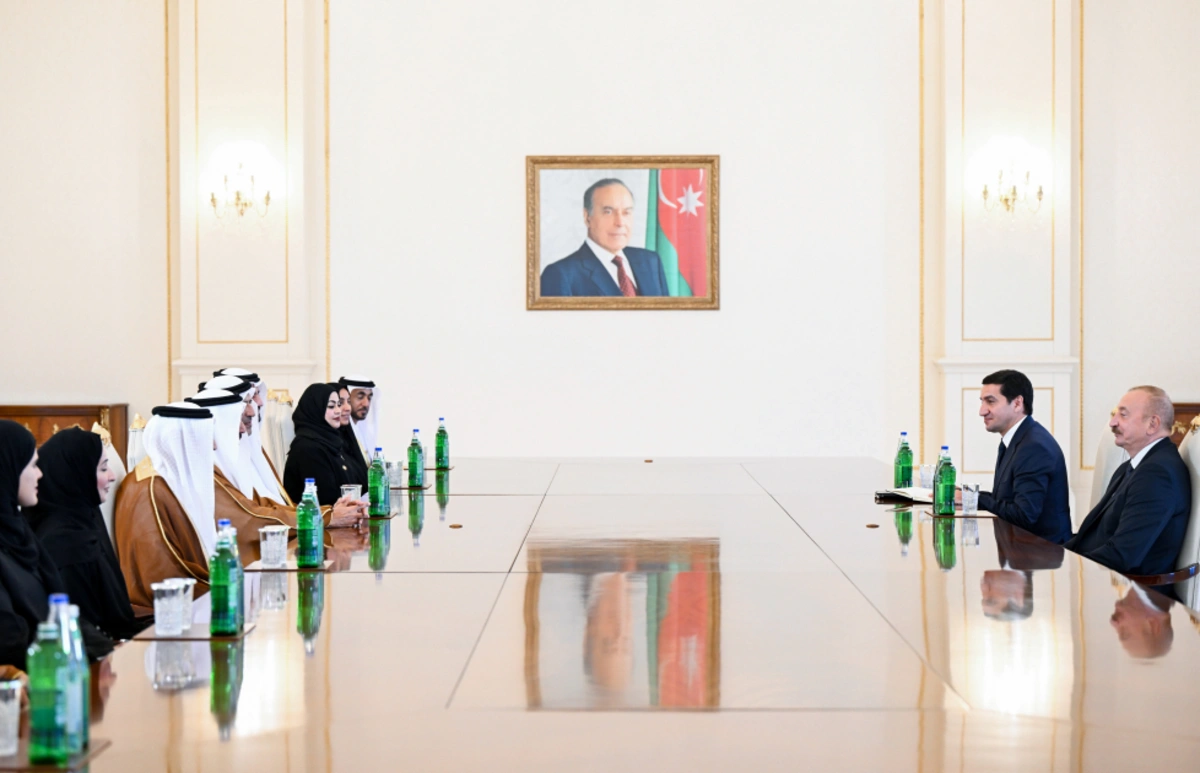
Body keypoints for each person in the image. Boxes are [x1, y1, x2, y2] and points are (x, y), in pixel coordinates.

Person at [0, 421, 113, 668]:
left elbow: (62, 614)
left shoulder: (21, 535)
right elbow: (10, 642)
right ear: (7, 471)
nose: (40, 474)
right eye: (32, 466)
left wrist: (106, 651)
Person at [25, 428, 148, 640]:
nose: (112, 476)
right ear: (75, 476)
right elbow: (85, 631)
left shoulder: (83, 520)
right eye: (103, 469)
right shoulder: (66, 542)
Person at [1067, 386, 1192, 579]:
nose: (1113, 422)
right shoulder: (1133, 466)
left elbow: (1122, 555)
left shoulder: (1157, 474)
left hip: (1130, 591)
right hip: (1103, 578)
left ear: (1152, 424)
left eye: (1123, 415)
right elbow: (1095, 536)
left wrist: (1064, 569)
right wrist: (1052, 556)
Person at [975, 370, 1072, 544]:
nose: (982, 411)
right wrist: (966, 495)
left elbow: (1024, 515)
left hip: (1041, 553)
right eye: (982, 402)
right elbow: (1005, 501)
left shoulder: (1034, 447)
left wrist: (974, 498)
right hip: (1019, 548)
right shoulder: (1019, 439)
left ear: (1017, 403)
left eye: (990, 401)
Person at [540, 179, 669, 297]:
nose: (620, 222)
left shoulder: (651, 261)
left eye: (626, 212)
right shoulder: (560, 275)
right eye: (608, 212)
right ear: (587, 217)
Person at [283, 383, 372, 506]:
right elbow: (326, 501)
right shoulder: (307, 448)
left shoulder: (332, 443)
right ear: (315, 410)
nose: (338, 411)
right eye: (331, 406)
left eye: (338, 405)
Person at [980, 519, 1064, 622]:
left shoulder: (1006, 562)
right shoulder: (1046, 558)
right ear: (1017, 598)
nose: (983, 588)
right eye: (991, 600)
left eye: (983, 597)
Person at [338, 375, 379, 460]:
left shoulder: (364, 432)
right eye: (360, 397)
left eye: (369, 398)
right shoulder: (340, 435)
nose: (366, 404)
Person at [336, 384, 370, 484]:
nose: (348, 408)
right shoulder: (313, 447)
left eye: (349, 402)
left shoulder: (347, 438)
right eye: (340, 403)